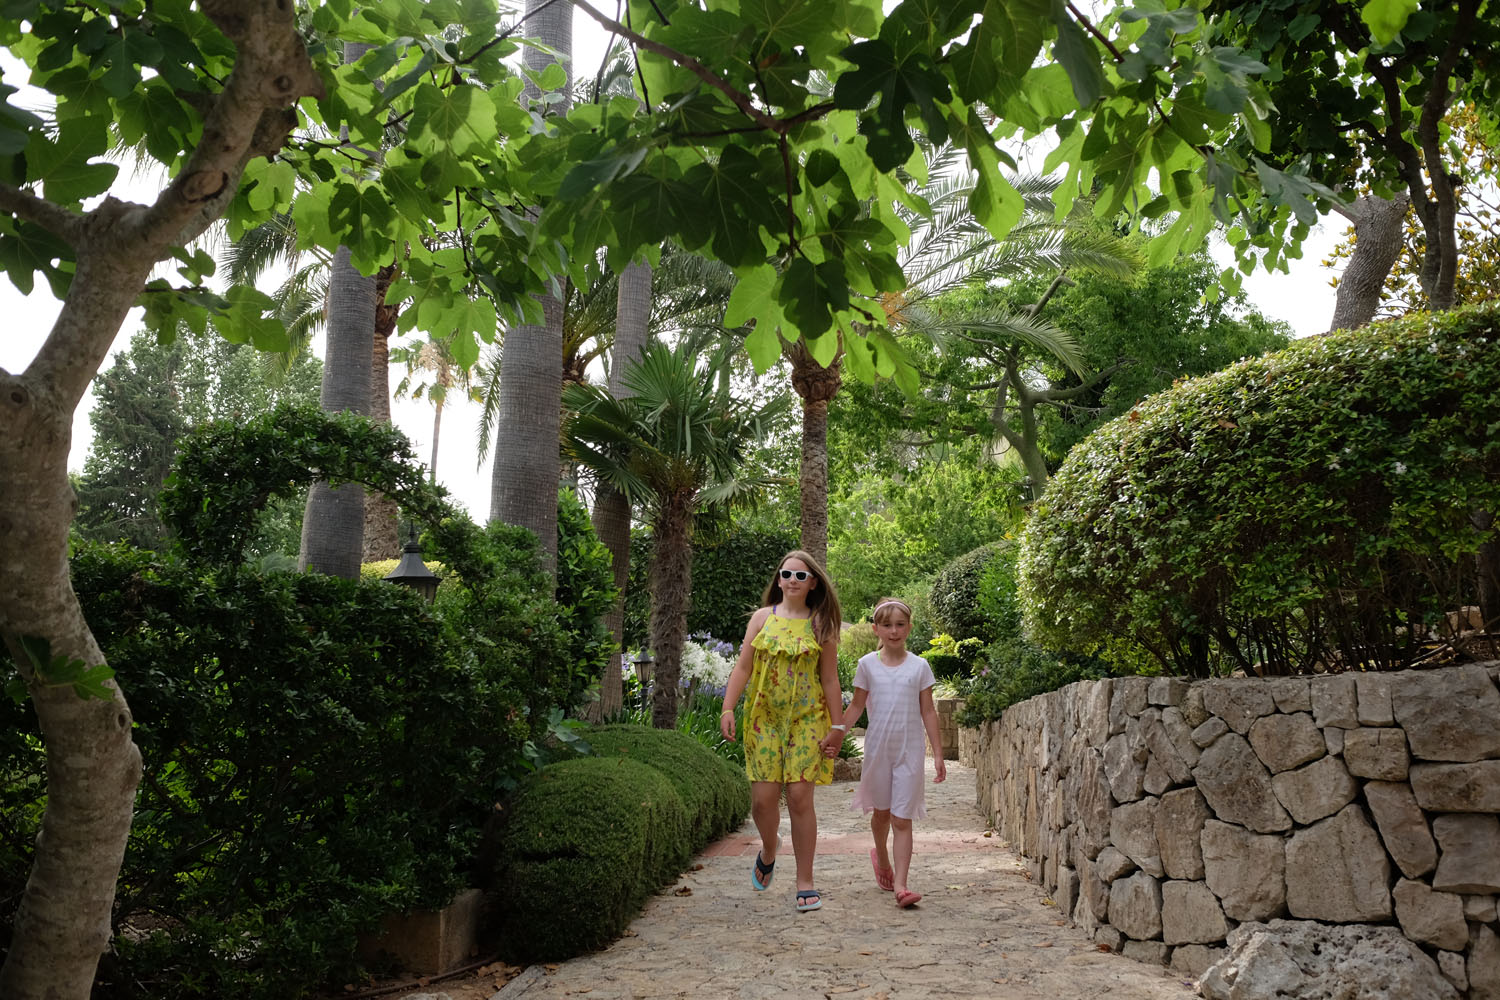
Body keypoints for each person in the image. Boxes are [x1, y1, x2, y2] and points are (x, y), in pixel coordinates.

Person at [719, 550, 846, 912]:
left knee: (800, 797)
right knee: (762, 800)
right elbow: (743, 668)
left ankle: (805, 881)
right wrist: (728, 707)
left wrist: (838, 727)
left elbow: (830, 679)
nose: (793, 580)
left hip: (808, 720)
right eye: (787, 574)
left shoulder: (821, 625)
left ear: (813, 583)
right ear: (778, 580)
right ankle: (769, 847)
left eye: (801, 576)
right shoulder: (762, 619)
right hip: (765, 720)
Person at [826, 596, 945, 908]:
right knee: (881, 814)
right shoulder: (867, 665)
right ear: (876, 629)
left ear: (909, 628)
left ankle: (902, 886)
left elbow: (928, 711)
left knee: (901, 818)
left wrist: (939, 754)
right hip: (879, 752)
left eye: (900, 625)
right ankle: (881, 856)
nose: (894, 631)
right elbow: (856, 706)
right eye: (887, 625)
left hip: (910, 753)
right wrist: (837, 734)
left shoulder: (920, 667)